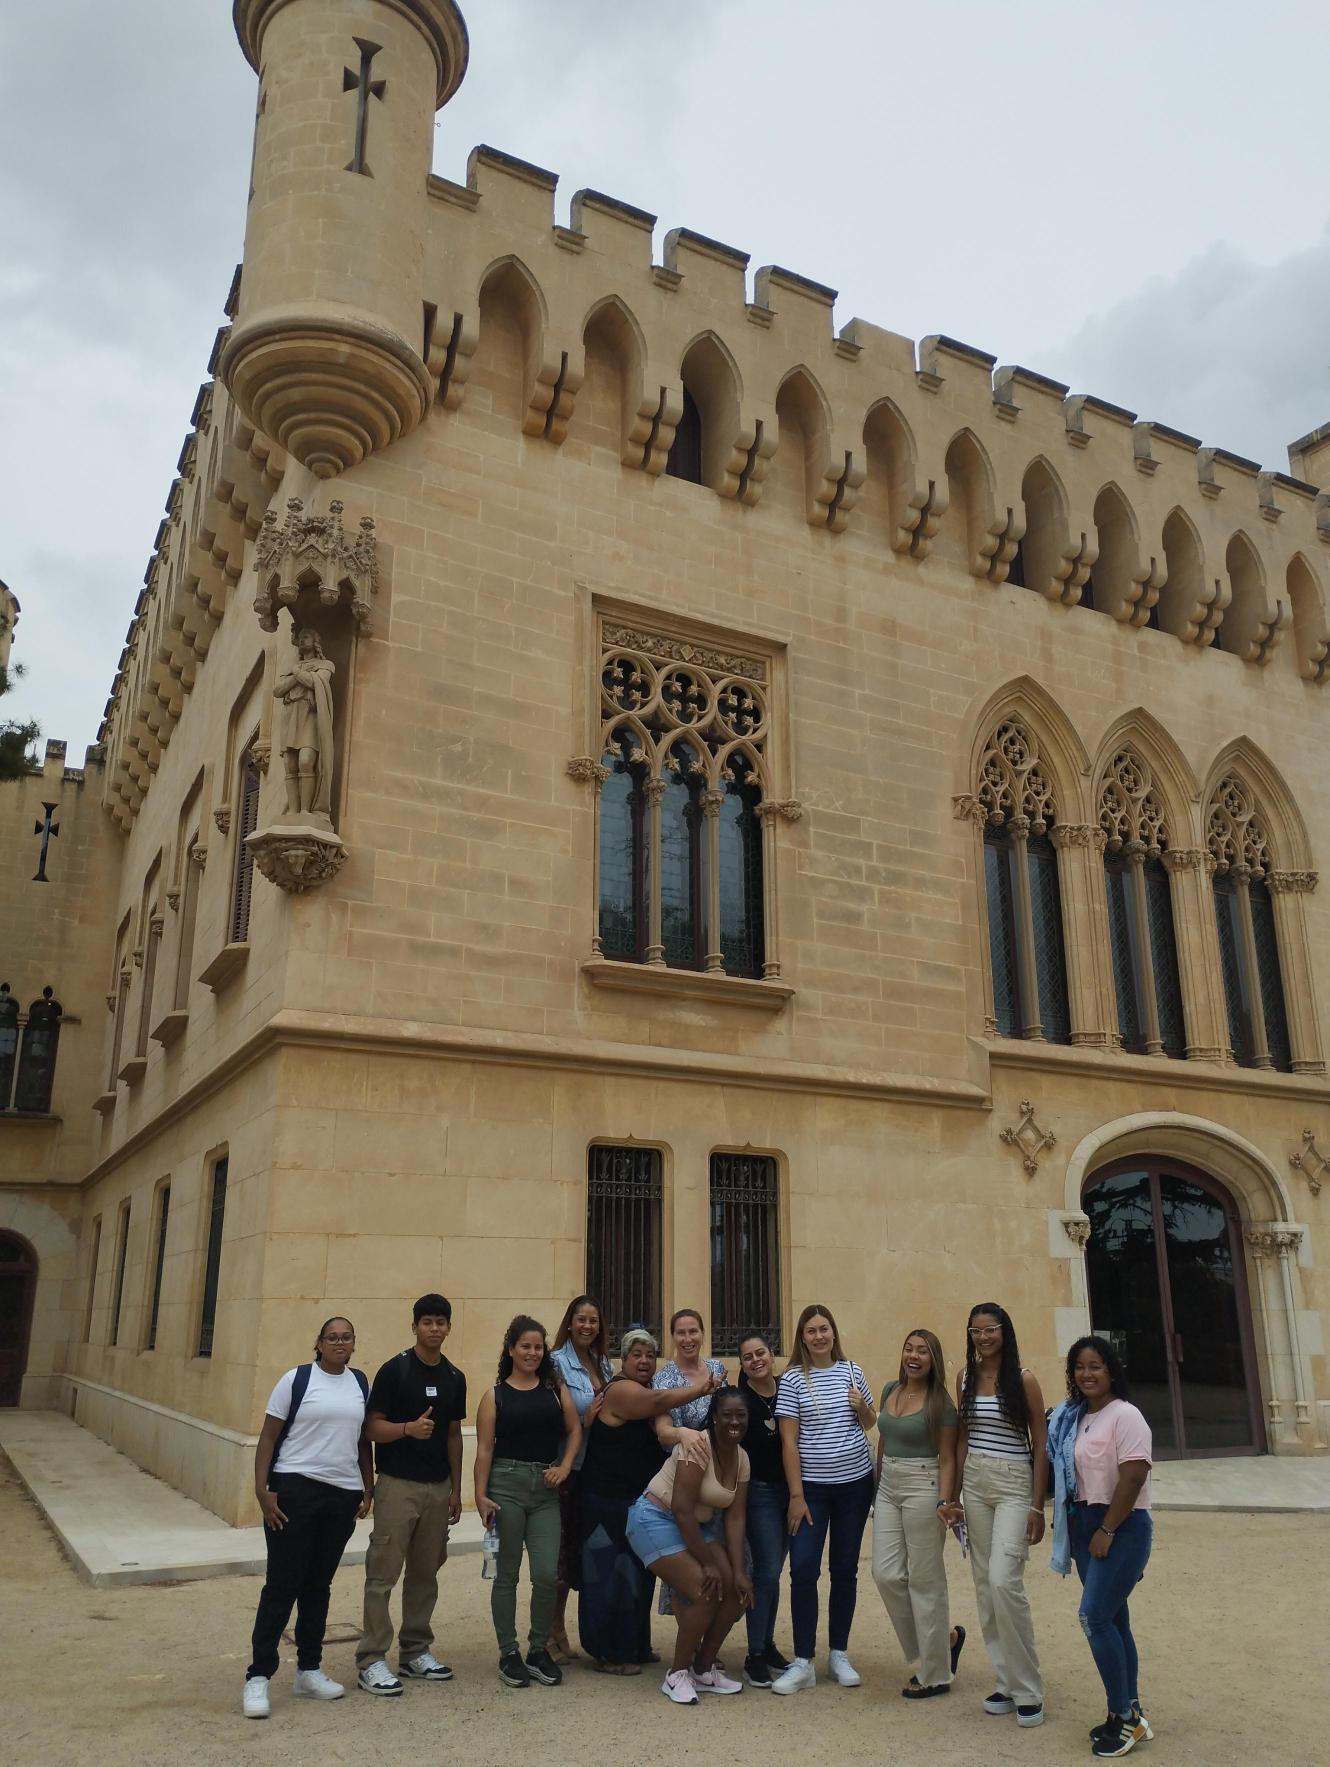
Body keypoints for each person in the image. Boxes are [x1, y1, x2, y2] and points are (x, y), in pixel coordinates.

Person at [243, 1317, 372, 1720]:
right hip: (295, 1489)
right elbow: (268, 1437)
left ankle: (309, 1670)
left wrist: (368, 1487)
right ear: (319, 1342)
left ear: (354, 1343)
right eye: (332, 1337)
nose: (339, 1342)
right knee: (282, 1584)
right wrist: (262, 1490)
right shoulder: (296, 1380)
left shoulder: (360, 1383)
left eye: (346, 1337)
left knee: (319, 1585)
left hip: (341, 1494)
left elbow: (362, 1439)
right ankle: (258, 1675)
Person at [576, 1327, 719, 1673]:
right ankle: (608, 1652)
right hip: (605, 1504)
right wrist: (700, 1389)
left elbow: (662, 1424)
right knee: (609, 1577)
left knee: (638, 1577)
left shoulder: (646, 1390)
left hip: (634, 1503)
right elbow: (657, 1404)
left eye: (650, 1355)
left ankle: (635, 1646)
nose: (644, 1361)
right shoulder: (620, 1391)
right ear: (622, 1361)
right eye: (636, 1355)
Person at [1047, 1337, 1155, 1760]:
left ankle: (1123, 1716)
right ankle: (1130, 1712)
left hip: (1121, 1526)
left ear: (1111, 1370)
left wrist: (1108, 1530)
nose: (1087, 1374)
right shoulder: (1077, 1418)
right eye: (1079, 1367)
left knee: (1093, 1617)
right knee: (1114, 1619)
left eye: (1095, 1366)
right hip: (1085, 1523)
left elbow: (1133, 1476)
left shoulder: (1126, 1416)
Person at [356, 1294, 466, 1696]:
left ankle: (415, 1650)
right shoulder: (394, 1371)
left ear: (449, 1327)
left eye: (441, 1322)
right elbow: (371, 1429)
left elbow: (454, 1434)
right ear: (415, 1326)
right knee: (382, 1573)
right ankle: (371, 1658)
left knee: (425, 1574)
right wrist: (406, 1430)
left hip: (438, 1489)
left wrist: (456, 1489)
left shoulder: (455, 1377)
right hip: (397, 1486)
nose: (434, 1328)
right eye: (427, 1322)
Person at [771, 1303, 876, 1694]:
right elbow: (788, 1440)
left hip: (854, 1485)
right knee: (802, 1569)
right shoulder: (795, 1379)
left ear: (834, 1333)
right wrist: (796, 1495)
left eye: (824, 1329)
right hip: (811, 1489)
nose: (819, 1336)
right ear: (802, 1337)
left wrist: (863, 1406)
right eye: (811, 1330)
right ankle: (803, 1661)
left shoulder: (853, 1372)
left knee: (845, 1570)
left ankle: (838, 1653)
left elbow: (870, 1421)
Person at [473, 1316, 582, 1689]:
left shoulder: (555, 1390)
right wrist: (480, 1495)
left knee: (547, 1574)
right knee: (505, 1574)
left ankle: (539, 1649)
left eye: (538, 1346)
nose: (532, 1352)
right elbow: (484, 1449)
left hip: (545, 1490)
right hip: (506, 1486)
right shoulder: (495, 1395)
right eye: (526, 1346)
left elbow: (574, 1429)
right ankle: (508, 1652)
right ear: (511, 1350)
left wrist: (565, 1467)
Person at [627, 1390, 754, 1703]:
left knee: (735, 1593)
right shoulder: (698, 1445)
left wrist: (739, 1571)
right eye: (727, 1415)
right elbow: (681, 1508)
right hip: (654, 1518)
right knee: (705, 1591)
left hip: (693, 1528)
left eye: (741, 1415)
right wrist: (707, 1562)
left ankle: (703, 1668)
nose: (734, 1421)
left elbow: (735, 1520)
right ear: (714, 1417)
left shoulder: (742, 1459)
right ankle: (677, 1674)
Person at [955, 1301, 1048, 1728]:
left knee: (1004, 1580)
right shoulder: (964, 1378)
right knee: (983, 1585)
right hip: (975, 1482)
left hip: (1014, 1483)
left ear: (1004, 1332)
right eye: (976, 1330)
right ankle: (1007, 1681)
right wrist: (952, 1494)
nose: (983, 1337)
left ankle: (1030, 1688)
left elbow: (1041, 1444)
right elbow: (961, 1439)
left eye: (990, 1329)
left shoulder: (1024, 1380)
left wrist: (1036, 1504)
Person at [872, 1328, 965, 1699]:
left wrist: (945, 1500)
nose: (913, 1356)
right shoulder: (889, 1390)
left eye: (922, 1351)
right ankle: (945, 1641)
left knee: (925, 1580)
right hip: (889, 1485)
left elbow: (948, 1457)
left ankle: (936, 1672)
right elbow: (883, 1439)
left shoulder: (941, 1404)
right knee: (885, 1573)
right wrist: (877, 1484)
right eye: (909, 1348)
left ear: (933, 1359)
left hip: (924, 1485)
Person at [548, 1294, 613, 1662]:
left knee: (577, 1554)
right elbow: (547, 1413)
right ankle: (547, 1630)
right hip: (566, 1468)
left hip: (595, 1470)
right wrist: (581, 1422)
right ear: (569, 1323)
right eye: (581, 1319)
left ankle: (560, 1626)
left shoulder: (604, 1363)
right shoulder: (555, 1362)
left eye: (593, 1320)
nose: (587, 1326)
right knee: (556, 1556)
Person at [735, 1332, 791, 1687]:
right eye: (747, 1357)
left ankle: (767, 1643)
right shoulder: (741, 1401)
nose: (756, 1360)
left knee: (775, 1570)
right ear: (741, 1365)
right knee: (766, 1571)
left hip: (793, 1491)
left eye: (761, 1353)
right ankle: (754, 1652)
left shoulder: (790, 1390)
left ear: (772, 1356)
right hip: (759, 1493)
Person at [652, 1308, 727, 1443]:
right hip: (686, 1457)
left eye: (693, 1331)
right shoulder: (664, 1379)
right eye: (681, 1333)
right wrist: (681, 1434)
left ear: (702, 1333)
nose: (687, 1339)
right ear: (673, 1337)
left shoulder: (717, 1368)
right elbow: (663, 1432)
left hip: (722, 1452)